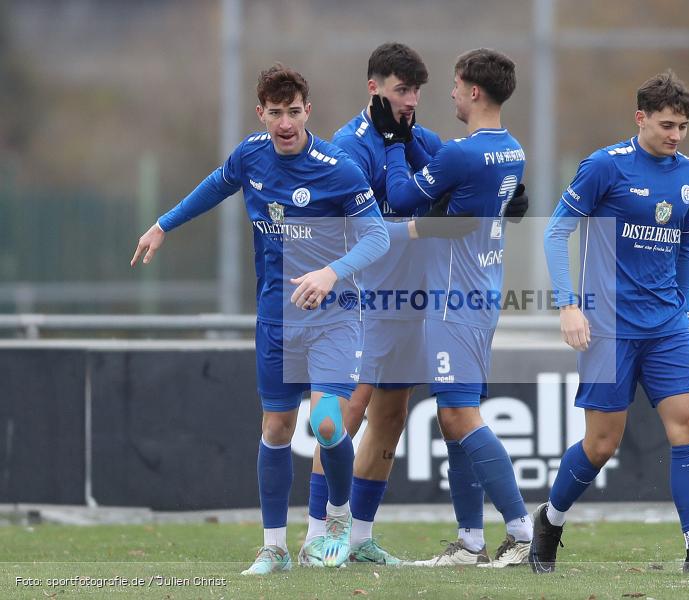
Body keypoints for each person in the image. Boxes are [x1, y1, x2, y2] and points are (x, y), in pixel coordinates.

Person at [130, 64, 390, 573]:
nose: (285, 122)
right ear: (261, 114)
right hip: (276, 320)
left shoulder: (338, 168)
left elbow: (377, 237)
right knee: (276, 428)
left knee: (328, 423)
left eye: (294, 111)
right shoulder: (251, 155)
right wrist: (164, 224)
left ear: (307, 111)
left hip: (334, 316)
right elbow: (215, 184)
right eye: (276, 113)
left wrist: (331, 273)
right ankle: (274, 548)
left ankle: (336, 520)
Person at [532, 70, 689, 575]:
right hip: (608, 327)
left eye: (684, 127)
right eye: (667, 124)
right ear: (640, 118)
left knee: (688, 425)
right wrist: (568, 304)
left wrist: (684, 308)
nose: (675, 135)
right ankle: (551, 520)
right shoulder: (605, 166)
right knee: (602, 444)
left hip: (666, 325)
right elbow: (556, 234)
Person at [299, 42, 482, 567]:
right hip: (363, 299)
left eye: (417, 92)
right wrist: (423, 223)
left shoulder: (415, 137)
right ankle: (317, 536)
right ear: (374, 87)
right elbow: (362, 229)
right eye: (402, 91)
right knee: (347, 413)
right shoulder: (347, 147)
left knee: (391, 417)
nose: (411, 101)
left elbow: (454, 177)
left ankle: (357, 539)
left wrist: (499, 194)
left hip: (410, 300)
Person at [370, 48, 532, 568]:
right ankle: (469, 542)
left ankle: (524, 532)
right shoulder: (511, 150)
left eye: (457, 86)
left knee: (460, 414)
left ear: (474, 90)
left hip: (452, 300)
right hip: (480, 293)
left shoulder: (464, 154)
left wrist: (395, 141)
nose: (452, 94)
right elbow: (452, 175)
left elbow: (402, 193)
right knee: (452, 416)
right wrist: (415, 138)